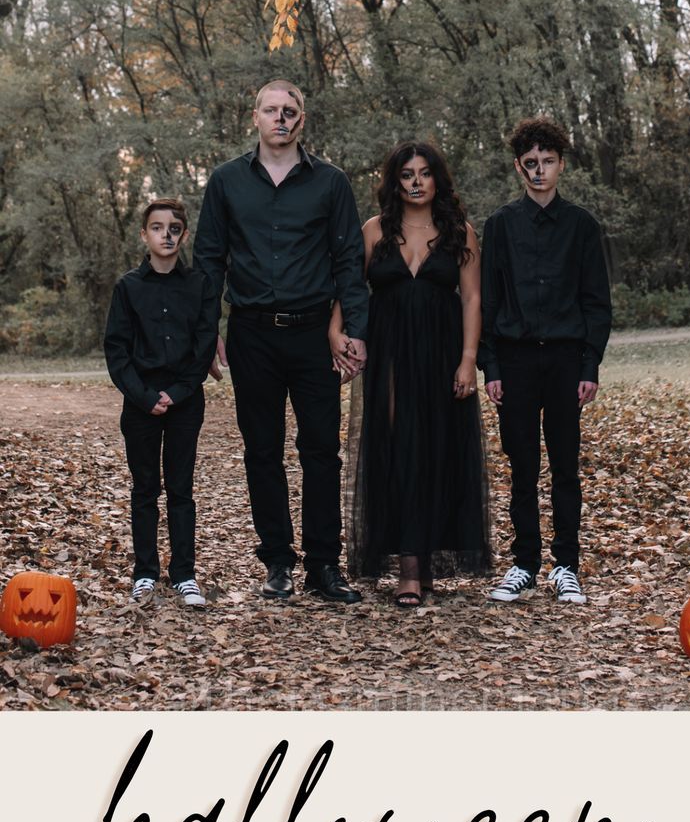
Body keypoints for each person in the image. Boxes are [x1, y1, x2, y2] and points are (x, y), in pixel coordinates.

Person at [193, 79, 368, 604]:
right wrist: (207, 334)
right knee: (261, 452)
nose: (281, 118)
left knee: (321, 452)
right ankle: (276, 562)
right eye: (271, 110)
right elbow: (208, 262)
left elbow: (348, 264)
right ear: (255, 118)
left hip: (315, 334)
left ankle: (323, 566)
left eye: (290, 110)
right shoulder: (226, 182)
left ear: (302, 120)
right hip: (251, 334)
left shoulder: (331, 183)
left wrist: (353, 331)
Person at [333, 140, 491, 606]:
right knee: (398, 446)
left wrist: (468, 359)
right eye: (407, 174)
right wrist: (334, 332)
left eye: (425, 173)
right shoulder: (374, 230)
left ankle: (427, 560)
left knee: (437, 449)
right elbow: (350, 288)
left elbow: (472, 299)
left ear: (437, 178)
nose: (416, 182)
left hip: (443, 353)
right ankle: (406, 566)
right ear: (394, 181)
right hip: (390, 355)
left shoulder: (459, 231)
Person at [478, 115, 612, 606]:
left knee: (564, 466)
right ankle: (524, 564)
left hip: (563, 360)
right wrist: (490, 366)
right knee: (522, 466)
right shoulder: (499, 226)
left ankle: (566, 566)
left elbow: (597, 302)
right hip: (513, 362)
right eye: (530, 163)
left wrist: (588, 365)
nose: (539, 171)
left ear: (561, 165)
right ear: (519, 166)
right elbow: (488, 304)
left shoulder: (581, 226)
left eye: (547, 162)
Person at [104, 198, 218, 607]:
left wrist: (180, 391)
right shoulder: (128, 287)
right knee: (145, 489)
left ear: (183, 235)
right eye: (157, 227)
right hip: (140, 403)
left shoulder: (200, 285)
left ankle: (184, 573)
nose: (166, 235)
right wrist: (145, 396)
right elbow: (116, 350)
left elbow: (205, 344)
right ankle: (145, 573)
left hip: (186, 401)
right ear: (144, 234)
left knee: (182, 488)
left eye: (174, 228)